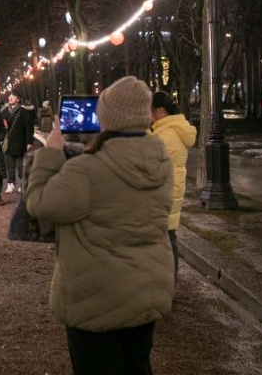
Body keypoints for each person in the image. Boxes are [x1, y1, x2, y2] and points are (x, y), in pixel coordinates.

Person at [26, 76, 174, 374]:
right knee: (137, 365)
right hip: (145, 289)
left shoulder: (88, 169)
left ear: (105, 117)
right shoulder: (161, 161)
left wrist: (52, 151)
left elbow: (40, 204)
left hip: (94, 296)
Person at [151, 90, 197, 281]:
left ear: (160, 110)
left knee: (167, 240)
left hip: (163, 194)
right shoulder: (173, 130)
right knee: (169, 237)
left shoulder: (165, 135)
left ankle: (167, 284)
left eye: (150, 110)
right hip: (171, 191)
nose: (148, 114)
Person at [1, 92, 35, 194]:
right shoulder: (4, 111)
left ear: (18, 99)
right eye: (9, 96)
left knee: (21, 166)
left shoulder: (24, 111)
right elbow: (1, 127)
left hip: (20, 142)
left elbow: (29, 127)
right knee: (9, 165)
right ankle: (10, 184)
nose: (10, 98)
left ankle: (22, 183)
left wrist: (29, 142)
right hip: (8, 143)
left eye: (13, 96)